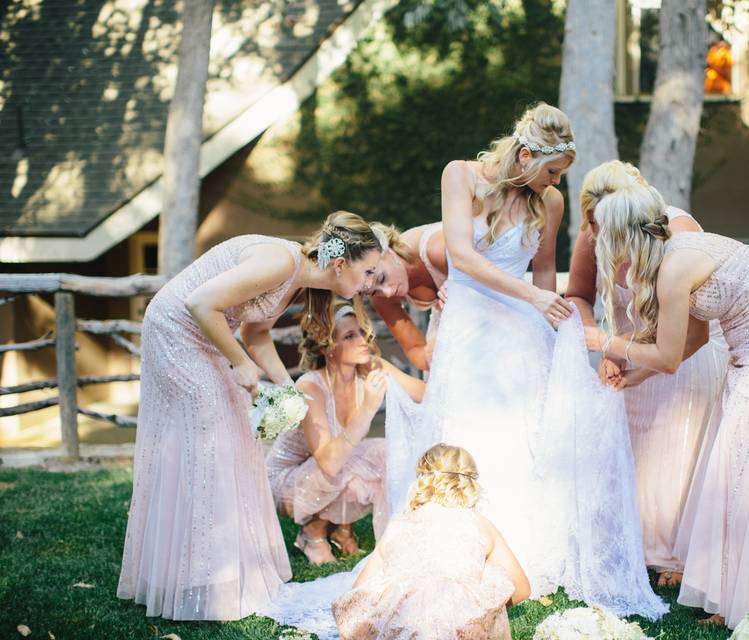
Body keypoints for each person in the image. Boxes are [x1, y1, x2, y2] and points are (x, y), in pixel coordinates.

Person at [398, 102, 667, 618]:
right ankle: (457, 541)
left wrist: (550, 328)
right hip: (470, 327)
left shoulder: (551, 202)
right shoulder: (460, 176)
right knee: (469, 427)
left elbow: (544, 269)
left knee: (523, 434)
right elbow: (464, 256)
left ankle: (520, 549)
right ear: (524, 154)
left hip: (523, 329)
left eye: (559, 174)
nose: (554, 181)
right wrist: (533, 299)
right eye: (551, 170)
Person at [117, 211, 384, 620]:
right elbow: (200, 302)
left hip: (204, 335)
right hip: (175, 332)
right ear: (340, 264)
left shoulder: (297, 278)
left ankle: (219, 573)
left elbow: (255, 333)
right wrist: (241, 365)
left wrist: (287, 388)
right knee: (211, 445)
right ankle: (198, 580)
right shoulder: (281, 262)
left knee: (236, 442)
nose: (369, 283)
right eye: (368, 272)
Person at [585, 186, 749, 629]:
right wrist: (633, 376)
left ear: (622, 237)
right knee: (733, 465)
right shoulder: (671, 259)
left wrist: (605, 343)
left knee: (740, 464)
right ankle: (731, 593)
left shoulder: (674, 267)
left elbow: (669, 356)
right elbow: (692, 341)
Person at [566, 160, 728, 588]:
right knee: (636, 456)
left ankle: (683, 553)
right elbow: (578, 295)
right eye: (593, 221)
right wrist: (606, 346)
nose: (597, 232)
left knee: (681, 449)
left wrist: (618, 348)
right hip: (628, 353)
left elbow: (694, 333)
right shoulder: (594, 230)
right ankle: (636, 547)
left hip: (685, 354)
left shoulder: (679, 233)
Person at [266, 302, 425, 564]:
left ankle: (342, 530)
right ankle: (313, 533)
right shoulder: (311, 387)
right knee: (365, 458)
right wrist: (369, 406)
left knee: (384, 456)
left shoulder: (369, 367)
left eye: (362, 332)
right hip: (289, 482)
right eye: (350, 336)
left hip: (331, 472)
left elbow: (422, 393)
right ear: (329, 347)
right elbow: (329, 463)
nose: (363, 341)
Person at [332, 443, 529, 639]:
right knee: (490, 574)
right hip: (460, 627)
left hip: (402, 624)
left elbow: (360, 590)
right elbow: (522, 588)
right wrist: (483, 608)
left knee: (388, 582)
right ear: (469, 484)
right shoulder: (480, 525)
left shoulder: (399, 526)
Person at [366, 222, 448, 371]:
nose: (387, 293)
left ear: (388, 252)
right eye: (374, 291)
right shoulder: (380, 296)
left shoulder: (435, 249)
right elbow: (414, 348)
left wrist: (460, 287)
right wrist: (430, 355)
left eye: (382, 278)